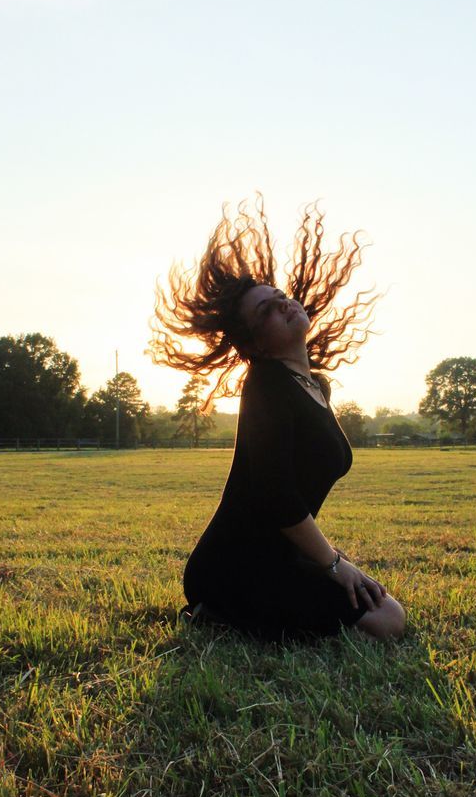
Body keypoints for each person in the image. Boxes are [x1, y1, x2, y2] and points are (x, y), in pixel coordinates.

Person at [149, 197, 406, 642]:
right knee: (386, 622)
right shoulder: (265, 384)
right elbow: (277, 494)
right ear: (257, 345)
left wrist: (332, 562)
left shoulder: (317, 386)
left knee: (383, 606)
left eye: (280, 297)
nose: (284, 305)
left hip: (282, 557)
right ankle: (219, 613)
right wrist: (333, 563)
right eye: (266, 310)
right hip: (233, 565)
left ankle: (231, 615)